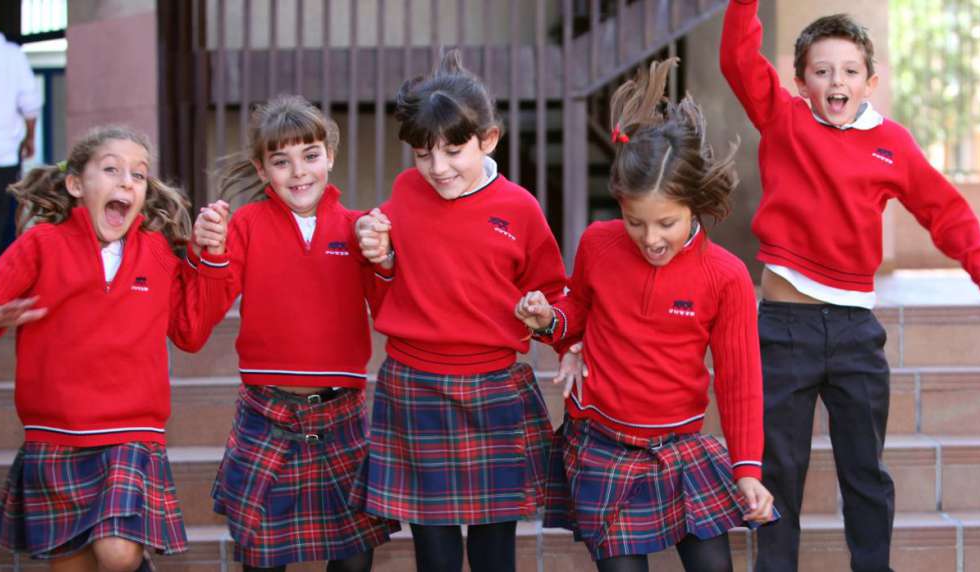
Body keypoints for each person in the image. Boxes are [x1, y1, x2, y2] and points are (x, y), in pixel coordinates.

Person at [719, 2, 980, 571]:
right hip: (785, 329)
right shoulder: (783, 118)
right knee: (779, 470)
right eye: (822, 71)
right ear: (801, 82)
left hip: (856, 331)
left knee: (865, 472)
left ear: (869, 82)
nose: (837, 81)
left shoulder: (891, 142)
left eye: (850, 70)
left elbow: (943, 208)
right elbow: (737, 57)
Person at [514, 57, 775, 572]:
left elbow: (740, 380)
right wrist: (548, 322)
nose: (650, 238)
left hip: (680, 446)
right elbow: (577, 313)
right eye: (635, 222)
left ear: (695, 204)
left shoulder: (726, 276)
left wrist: (747, 468)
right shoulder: (598, 244)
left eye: (666, 223)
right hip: (601, 443)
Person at [351, 50, 567, 572]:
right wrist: (379, 259)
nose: (438, 168)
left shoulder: (520, 207)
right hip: (414, 385)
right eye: (423, 154)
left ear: (488, 139)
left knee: (495, 551)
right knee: (435, 553)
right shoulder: (405, 192)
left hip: (494, 386)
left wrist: (547, 318)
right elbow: (385, 289)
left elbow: (555, 296)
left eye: (453, 151)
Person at [0, 125, 231, 571]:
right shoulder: (40, 244)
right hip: (55, 436)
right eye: (111, 169)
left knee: (118, 553)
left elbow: (191, 331)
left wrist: (212, 259)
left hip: (130, 433)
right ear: (76, 184)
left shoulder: (157, 251)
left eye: (138, 175)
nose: (127, 181)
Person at [195, 94, 398, 572]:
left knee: (354, 559)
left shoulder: (359, 227)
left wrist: (385, 261)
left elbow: (390, 314)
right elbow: (203, 314)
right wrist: (210, 253)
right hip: (267, 411)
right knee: (263, 557)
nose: (299, 172)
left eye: (310, 155)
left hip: (341, 411)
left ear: (330, 156)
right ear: (262, 169)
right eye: (281, 161)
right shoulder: (244, 225)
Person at [0, 0, 43, 261]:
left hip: (4, 152)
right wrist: (30, 138)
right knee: (1, 220)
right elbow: (30, 104)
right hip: (3, 155)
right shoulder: (12, 55)